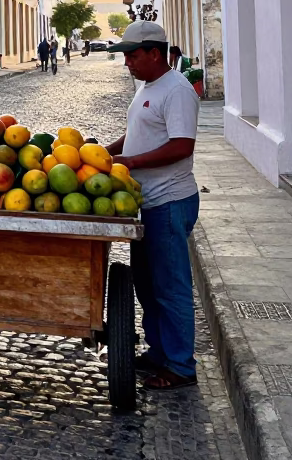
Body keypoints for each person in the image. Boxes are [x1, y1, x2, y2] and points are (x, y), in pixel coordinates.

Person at [106, 20, 200, 392]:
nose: (127, 62)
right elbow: (139, 131)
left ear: (154, 53)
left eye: (132, 55)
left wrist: (131, 163)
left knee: (171, 286)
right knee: (147, 283)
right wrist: (108, 152)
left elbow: (181, 146)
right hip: (146, 202)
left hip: (170, 201)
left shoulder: (177, 91)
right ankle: (159, 352)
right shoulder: (149, 86)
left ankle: (180, 366)